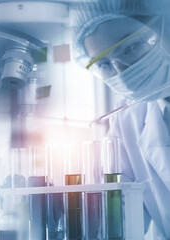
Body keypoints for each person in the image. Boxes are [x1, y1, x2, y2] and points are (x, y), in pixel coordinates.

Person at [72, 0, 170, 238]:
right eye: (104, 64)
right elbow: (120, 221)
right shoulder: (128, 120)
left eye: (130, 48)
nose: (121, 72)